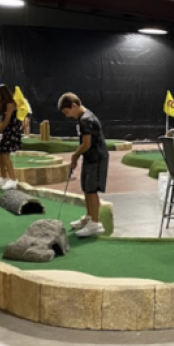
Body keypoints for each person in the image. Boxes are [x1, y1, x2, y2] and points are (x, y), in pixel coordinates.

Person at [58, 93, 109, 238]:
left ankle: (95, 224)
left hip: (97, 157)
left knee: (91, 190)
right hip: (90, 157)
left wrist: (75, 155)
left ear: (74, 106)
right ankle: (89, 217)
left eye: (67, 112)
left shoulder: (86, 119)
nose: (68, 116)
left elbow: (86, 144)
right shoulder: (83, 117)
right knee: (87, 188)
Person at [0, 84, 22, 191]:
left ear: (4, 94)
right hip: (7, 132)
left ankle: (13, 180)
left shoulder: (10, 104)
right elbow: (2, 122)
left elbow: (6, 121)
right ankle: (3, 178)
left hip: (12, 132)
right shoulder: (5, 105)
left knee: (5, 155)